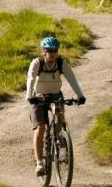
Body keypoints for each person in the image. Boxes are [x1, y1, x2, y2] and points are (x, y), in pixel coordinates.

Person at [26, 35, 85, 176]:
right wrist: (29, 96)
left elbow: (72, 79)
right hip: (38, 97)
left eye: (55, 51)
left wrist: (80, 95)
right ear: (43, 52)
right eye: (49, 51)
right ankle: (40, 163)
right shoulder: (37, 63)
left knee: (59, 115)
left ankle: (59, 139)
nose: (52, 54)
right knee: (40, 128)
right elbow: (31, 78)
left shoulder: (61, 63)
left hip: (55, 95)